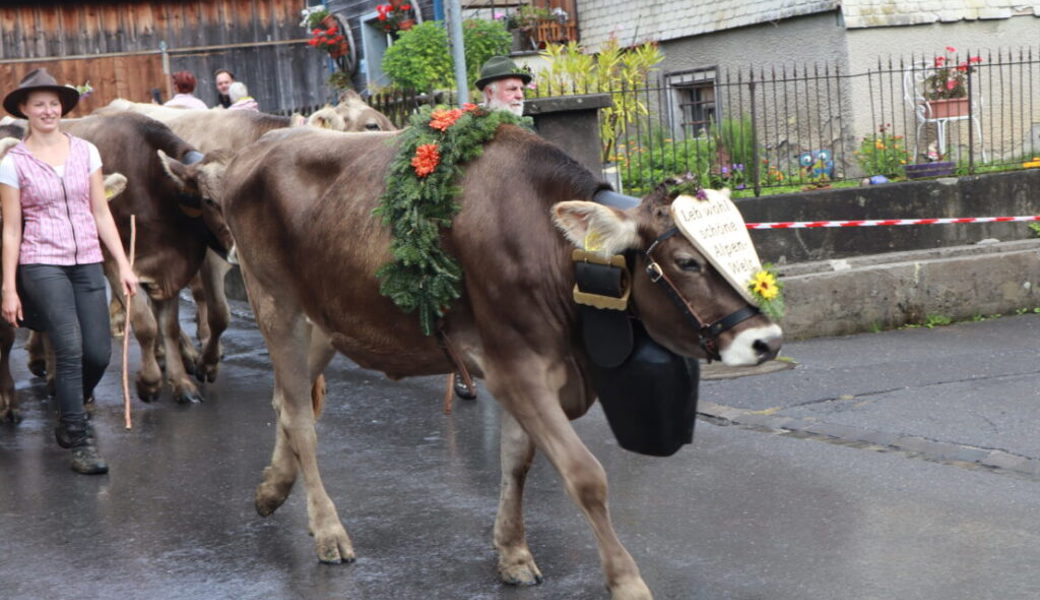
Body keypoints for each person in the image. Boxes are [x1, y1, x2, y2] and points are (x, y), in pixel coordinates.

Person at [0, 68, 139, 475]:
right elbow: (11, 229)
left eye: (54, 103)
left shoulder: (86, 152)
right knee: (70, 348)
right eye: (39, 103)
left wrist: (124, 265)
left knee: (99, 352)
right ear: (24, 109)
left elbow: (100, 212)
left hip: (87, 261)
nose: (48, 110)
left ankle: (68, 406)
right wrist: (9, 288)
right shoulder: (14, 163)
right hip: (42, 261)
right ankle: (78, 439)